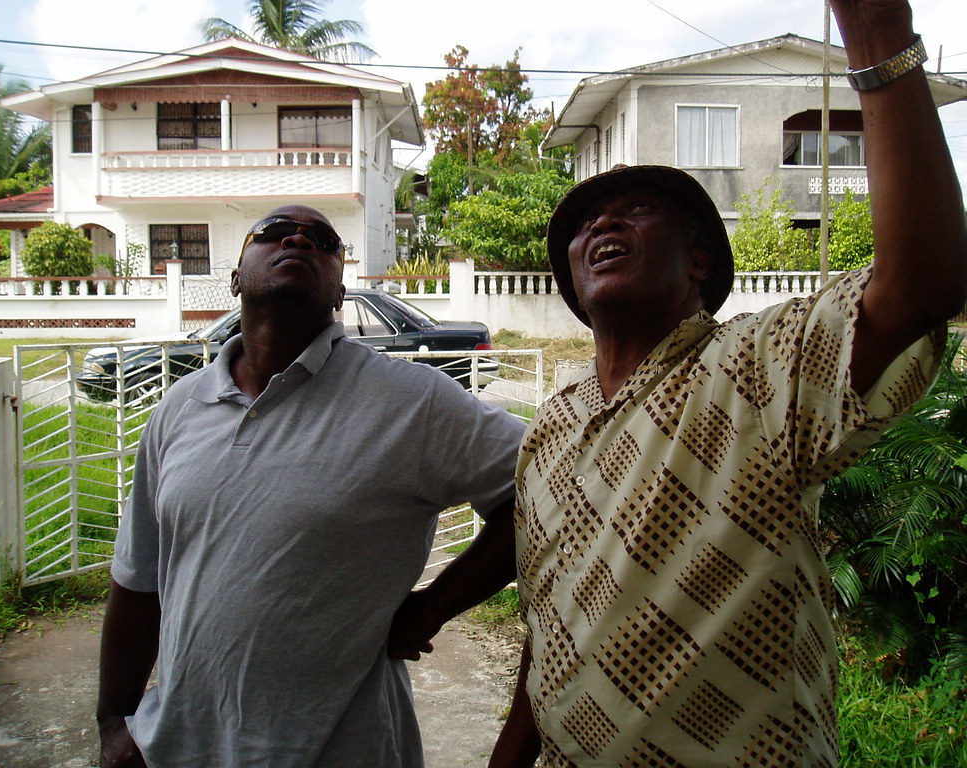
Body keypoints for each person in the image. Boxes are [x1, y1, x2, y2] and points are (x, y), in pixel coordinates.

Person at [488, 1, 967, 766]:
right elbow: (551, 622)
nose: (604, 226)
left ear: (699, 261)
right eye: (585, 222)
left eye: (637, 210)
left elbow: (920, 286)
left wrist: (878, 37)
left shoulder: (756, 365)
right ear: (572, 284)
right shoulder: (553, 423)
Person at [96, 204, 526, 768]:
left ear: (339, 291)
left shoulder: (410, 400)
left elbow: (546, 486)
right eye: (274, 232)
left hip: (348, 748)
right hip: (178, 744)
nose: (298, 239)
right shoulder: (179, 407)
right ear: (235, 276)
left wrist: (434, 607)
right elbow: (138, 581)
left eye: (323, 240)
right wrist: (112, 723)